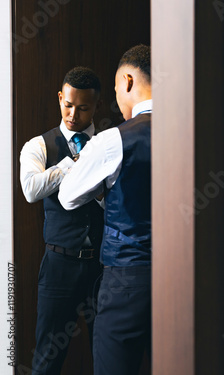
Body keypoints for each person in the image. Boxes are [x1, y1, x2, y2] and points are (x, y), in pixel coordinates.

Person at [58, 45, 152, 375]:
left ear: (127, 80)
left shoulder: (113, 140)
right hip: (184, 276)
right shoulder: (193, 131)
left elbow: (68, 196)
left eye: (115, 90)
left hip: (127, 277)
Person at [19, 66, 104, 374]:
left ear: (96, 105)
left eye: (82, 108)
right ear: (60, 98)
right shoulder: (38, 145)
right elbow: (30, 189)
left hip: (102, 267)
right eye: (68, 105)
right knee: (46, 359)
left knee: (107, 357)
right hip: (58, 266)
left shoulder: (108, 145)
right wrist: (73, 164)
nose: (73, 114)